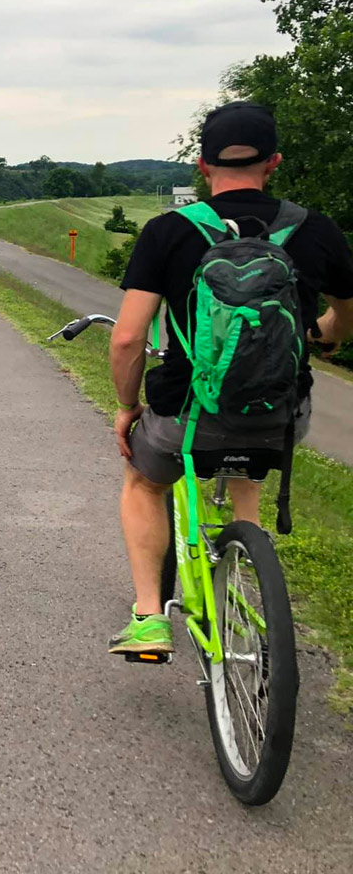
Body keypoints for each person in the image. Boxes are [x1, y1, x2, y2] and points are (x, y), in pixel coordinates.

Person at [106, 101, 353, 654]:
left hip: (187, 416)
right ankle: (249, 552)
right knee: (255, 438)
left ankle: (148, 616)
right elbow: (345, 316)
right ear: (274, 162)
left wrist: (126, 408)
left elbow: (126, 339)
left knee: (144, 482)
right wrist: (327, 333)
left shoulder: (169, 230)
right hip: (283, 414)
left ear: (202, 165)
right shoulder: (316, 231)